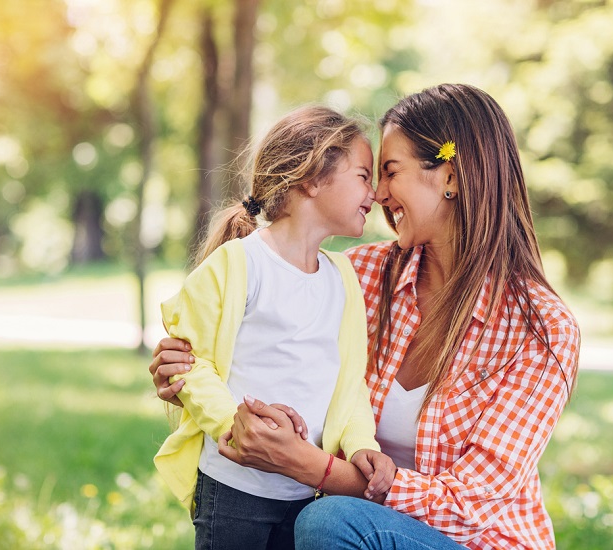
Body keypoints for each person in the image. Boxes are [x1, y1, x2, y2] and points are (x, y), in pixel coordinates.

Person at [151, 84, 581, 549]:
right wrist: (190, 370)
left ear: (451, 177)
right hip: (359, 526)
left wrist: (311, 466)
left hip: (477, 540)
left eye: (390, 172)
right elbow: (262, 352)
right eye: (370, 176)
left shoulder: (541, 328)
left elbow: (472, 505)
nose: (378, 194)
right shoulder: (355, 277)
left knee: (328, 521)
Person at [153, 105, 396, 550]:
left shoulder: (343, 277)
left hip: (304, 495)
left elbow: (349, 386)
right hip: (233, 487)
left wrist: (362, 444)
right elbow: (190, 364)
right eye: (364, 175)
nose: (376, 193)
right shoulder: (238, 263)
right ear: (313, 178)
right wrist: (235, 427)